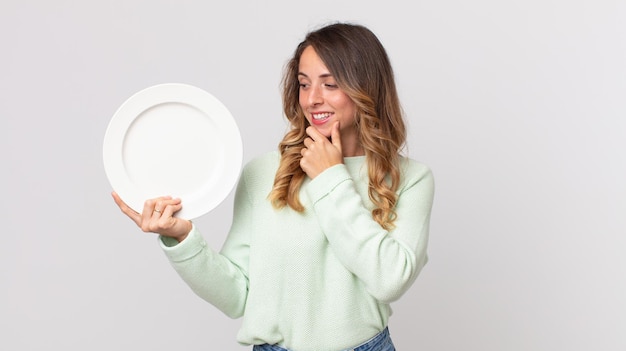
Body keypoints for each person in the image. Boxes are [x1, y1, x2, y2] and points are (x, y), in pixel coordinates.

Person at [112, 22, 435, 351]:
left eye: (330, 84)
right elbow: (238, 296)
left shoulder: (411, 180)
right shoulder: (265, 173)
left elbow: (389, 280)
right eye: (304, 84)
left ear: (367, 88)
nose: (312, 99)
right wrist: (181, 238)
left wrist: (330, 177)